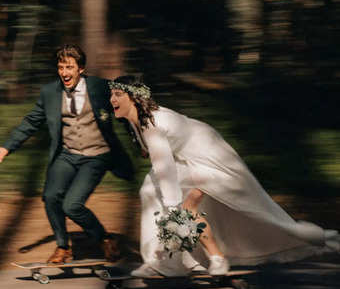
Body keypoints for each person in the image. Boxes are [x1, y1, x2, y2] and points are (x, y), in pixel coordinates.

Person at [108, 75, 340, 277]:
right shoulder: (139, 121)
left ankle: (214, 258)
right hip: (188, 160)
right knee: (149, 192)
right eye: (112, 95)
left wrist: (172, 206)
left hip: (210, 158)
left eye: (118, 94)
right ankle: (162, 261)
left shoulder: (152, 123)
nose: (112, 100)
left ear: (134, 97)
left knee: (184, 209)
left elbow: (165, 169)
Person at [0, 45, 134, 264]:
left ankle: (104, 239)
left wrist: (140, 140)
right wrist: (7, 147)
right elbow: (31, 122)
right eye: (61, 67)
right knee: (50, 197)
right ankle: (63, 247)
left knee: (72, 205)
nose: (64, 72)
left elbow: (126, 110)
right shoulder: (50, 92)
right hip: (68, 153)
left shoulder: (101, 87)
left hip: (97, 154)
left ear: (81, 69)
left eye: (69, 67)